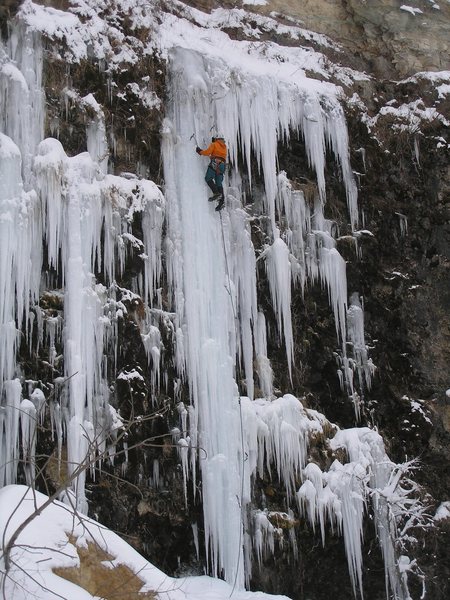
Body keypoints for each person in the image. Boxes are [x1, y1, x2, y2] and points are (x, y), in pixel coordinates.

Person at [196, 135, 227, 211]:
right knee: (218, 183)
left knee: (208, 178)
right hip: (222, 165)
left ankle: (216, 193)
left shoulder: (214, 144)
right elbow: (219, 155)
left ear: (216, 139)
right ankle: (221, 202)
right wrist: (212, 156)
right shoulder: (224, 147)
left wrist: (200, 151)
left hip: (215, 163)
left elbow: (207, 152)